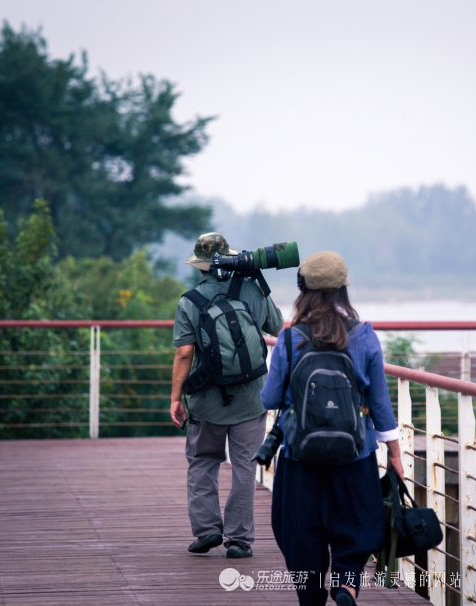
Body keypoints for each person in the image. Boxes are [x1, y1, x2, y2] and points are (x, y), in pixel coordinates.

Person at [261, 250, 405, 606]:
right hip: (354, 455)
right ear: (343, 289)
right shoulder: (364, 335)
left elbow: (269, 398)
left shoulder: (291, 338)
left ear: (302, 289)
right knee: (356, 527)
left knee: (300, 534)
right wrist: (395, 451)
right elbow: (381, 402)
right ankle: (346, 587)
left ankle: (311, 599)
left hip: (299, 456)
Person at [169, 232, 284, 559]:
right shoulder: (250, 289)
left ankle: (207, 530)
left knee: (203, 461)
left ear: (200, 265)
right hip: (251, 399)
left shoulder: (190, 300)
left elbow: (184, 354)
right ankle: (239, 540)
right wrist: (257, 284)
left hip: (207, 400)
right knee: (246, 467)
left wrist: (176, 397)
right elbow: (278, 327)